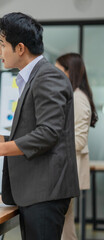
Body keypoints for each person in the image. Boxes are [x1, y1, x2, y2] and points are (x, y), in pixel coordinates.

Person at [0, 12, 80, 240]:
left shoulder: (47, 77)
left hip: (45, 191)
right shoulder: (33, 77)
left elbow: (48, 134)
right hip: (35, 191)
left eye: (2, 45)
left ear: (20, 48)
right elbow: (33, 133)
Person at [55, 53, 98, 240]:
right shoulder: (71, 95)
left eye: (58, 71)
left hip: (68, 168)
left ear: (69, 72)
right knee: (65, 220)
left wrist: (48, 143)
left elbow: (79, 141)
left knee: (65, 221)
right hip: (65, 167)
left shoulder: (78, 98)